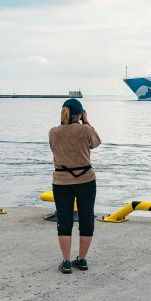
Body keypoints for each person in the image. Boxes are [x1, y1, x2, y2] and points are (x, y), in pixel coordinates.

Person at [49, 98, 101, 273]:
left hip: (61, 181)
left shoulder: (53, 132)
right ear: (80, 113)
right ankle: (82, 259)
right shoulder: (85, 130)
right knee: (86, 220)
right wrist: (86, 122)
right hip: (86, 179)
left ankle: (65, 262)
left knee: (64, 221)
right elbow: (96, 143)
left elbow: (54, 149)